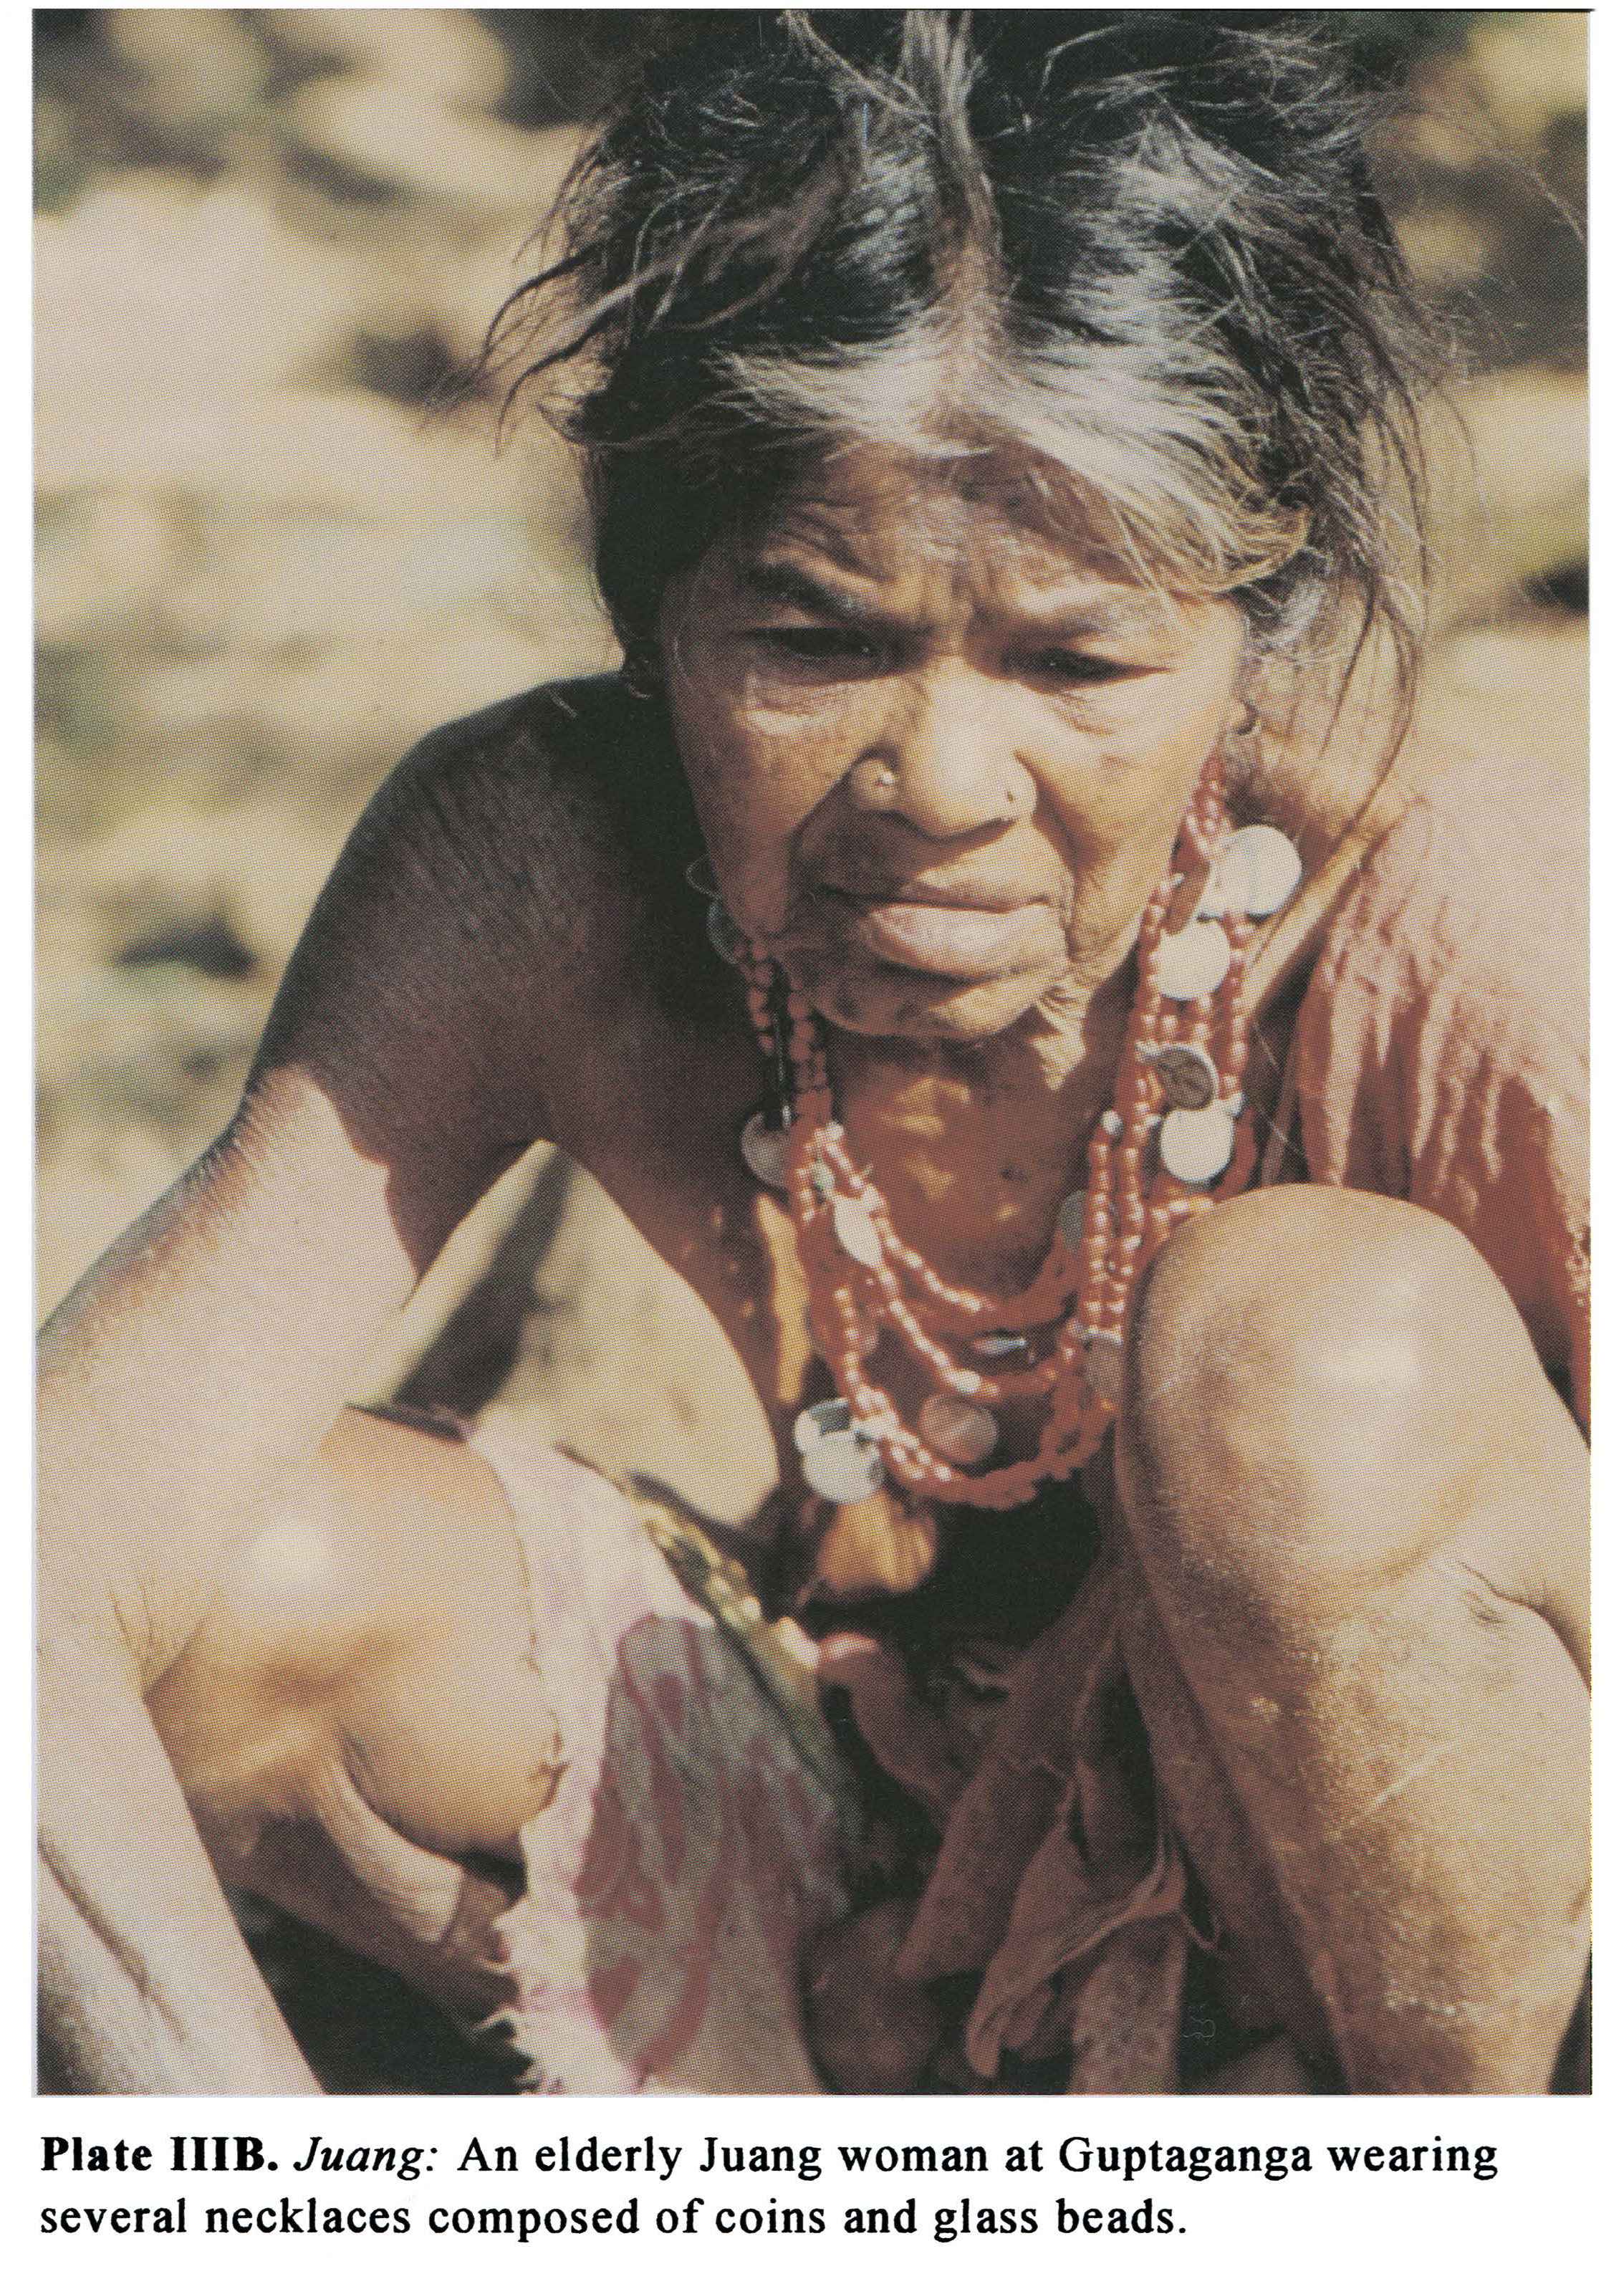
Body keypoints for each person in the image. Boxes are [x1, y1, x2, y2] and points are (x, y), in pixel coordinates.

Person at [38, 11, 1587, 2097]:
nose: (940, 780)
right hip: (839, 1867)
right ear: (646, 604)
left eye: (1077, 658)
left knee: (1310, 1355)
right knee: (231, 1573)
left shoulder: (1460, 918)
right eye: (813, 639)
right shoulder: (551, 861)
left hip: (1372, 1949)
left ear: (1261, 621)